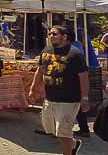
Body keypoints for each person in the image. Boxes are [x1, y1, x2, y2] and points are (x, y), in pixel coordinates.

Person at [28, 25, 89, 155]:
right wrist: (33, 88)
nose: (51, 36)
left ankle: (68, 151)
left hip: (69, 99)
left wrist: (84, 98)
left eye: (54, 34)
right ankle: (73, 144)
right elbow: (40, 70)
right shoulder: (47, 50)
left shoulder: (75, 54)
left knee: (63, 131)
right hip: (50, 98)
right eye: (49, 34)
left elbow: (83, 76)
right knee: (50, 129)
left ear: (64, 36)